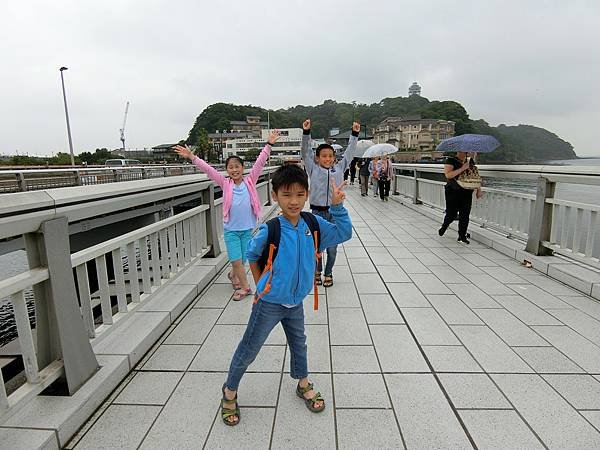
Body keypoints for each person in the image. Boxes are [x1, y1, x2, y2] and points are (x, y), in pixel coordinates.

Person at [220, 164, 352, 426]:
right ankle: (229, 391)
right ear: (275, 195)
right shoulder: (271, 229)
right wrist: (262, 287)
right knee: (250, 348)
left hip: (295, 302)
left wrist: (337, 207)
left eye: (300, 195)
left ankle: (302, 383)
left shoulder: (312, 224)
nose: (294, 201)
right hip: (268, 303)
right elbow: (253, 255)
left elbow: (343, 233)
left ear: (307, 194)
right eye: (287, 195)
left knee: (299, 343)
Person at [173, 129, 281, 300]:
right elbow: (208, 169)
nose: (234, 170)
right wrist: (192, 157)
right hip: (231, 230)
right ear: (227, 170)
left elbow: (260, 162)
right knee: (236, 260)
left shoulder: (250, 181)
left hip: (247, 229)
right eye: (230, 167)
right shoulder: (224, 183)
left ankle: (233, 275)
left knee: (243, 260)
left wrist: (269, 144)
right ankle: (245, 288)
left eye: (237, 166)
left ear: (242, 168)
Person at [301, 118, 360, 287]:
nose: (327, 159)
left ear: (334, 158)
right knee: (316, 246)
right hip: (317, 214)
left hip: (334, 213)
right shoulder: (313, 168)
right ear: (317, 158)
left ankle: (328, 273)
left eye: (330, 156)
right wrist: (306, 133)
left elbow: (350, 152)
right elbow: (305, 152)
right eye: (323, 156)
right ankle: (317, 271)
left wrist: (354, 134)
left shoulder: (340, 168)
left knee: (332, 248)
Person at [438, 151, 483, 243]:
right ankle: (444, 226)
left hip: (467, 191)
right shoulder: (450, 160)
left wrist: (479, 189)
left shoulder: (470, 162)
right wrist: (462, 168)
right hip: (453, 191)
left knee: (465, 215)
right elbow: (448, 175)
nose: (466, 152)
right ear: (458, 151)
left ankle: (462, 236)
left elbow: (474, 176)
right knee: (452, 214)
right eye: (463, 150)